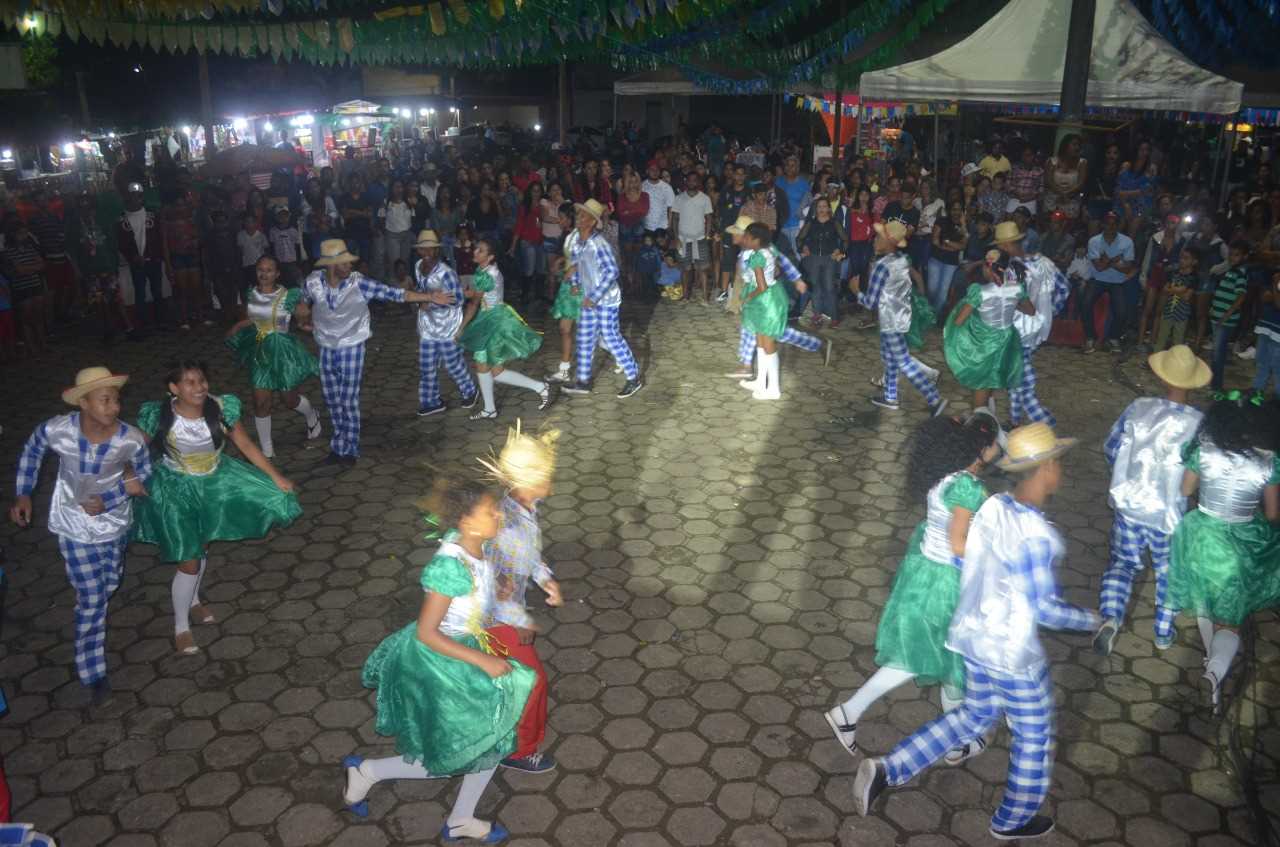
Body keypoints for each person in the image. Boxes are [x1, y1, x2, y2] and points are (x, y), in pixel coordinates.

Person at [856, 423, 1098, 842]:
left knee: (975, 715)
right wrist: (1092, 621)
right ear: (1044, 471)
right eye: (1058, 463)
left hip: (972, 637)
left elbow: (963, 557)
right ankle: (1013, 818)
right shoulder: (1039, 537)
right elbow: (1043, 608)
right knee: (1034, 736)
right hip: (1012, 653)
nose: (1061, 471)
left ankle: (888, 768)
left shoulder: (994, 506)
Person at [342, 479, 536, 843]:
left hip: (465, 651)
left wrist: (501, 597)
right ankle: (368, 772)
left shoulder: (477, 544)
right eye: (490, 512)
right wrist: (483, 661)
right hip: (443, 661)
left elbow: (476, 591)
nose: (498, 515)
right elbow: (428, 633)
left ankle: (460, 818)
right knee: (459, 748)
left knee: (488, 739)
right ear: (466, 522)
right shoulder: (448, 566)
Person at [825, 414, 999, 758]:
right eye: (995, 443)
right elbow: (959, 544)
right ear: (981, 450)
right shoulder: (968, 487)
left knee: (945, 659)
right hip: (947, 584)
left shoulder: (943, 478)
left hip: (924, 575)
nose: (998, 448)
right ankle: (849, 714)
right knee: (929, 657)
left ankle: (956, 737)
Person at [132, 361, 301, 655]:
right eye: (189, 383)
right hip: (174, 489)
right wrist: (127, 476)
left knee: (202, 545)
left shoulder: (221, 408)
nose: (199, 388)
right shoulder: (159, 415)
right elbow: (133, 448)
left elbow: (246, 446)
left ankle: (195, 600)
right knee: (189, 558)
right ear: (174, 389)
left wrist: (276, 477)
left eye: (201, 381)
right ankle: (181, 627)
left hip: (214, 485)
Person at [11, 367, 152, 703]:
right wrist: (23, 493)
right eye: (105, 400)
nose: (114, 407)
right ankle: (92, 671)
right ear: (83, 404)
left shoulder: (129, 439)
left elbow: (144, 475)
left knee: (109, 583)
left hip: (113, 524)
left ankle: (96, 602)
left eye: (116, 400)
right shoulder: (57, 430)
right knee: (91, 599)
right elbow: (32, 452)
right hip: (71, 524)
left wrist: (112, 499)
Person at [1167, 393, 1280, 710]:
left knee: (1205, 605)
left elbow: (1186, 490)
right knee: (1229, 621)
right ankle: (1213, 673)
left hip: (1200, 535)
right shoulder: (1269, 461)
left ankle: (1212, 673)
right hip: (1240, 544)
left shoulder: (1205, 449)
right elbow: (1272, 515)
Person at [1095, 345, 1210, 655]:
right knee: (1168, 571)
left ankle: (1110, 616)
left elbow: (1111, 447)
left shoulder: (1138, 407)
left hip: (1129, 504)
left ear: (1163, 378)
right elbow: (1199, 473)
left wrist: (1124, 476)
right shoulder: (1200, 424)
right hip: (1168, 515)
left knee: (1122, 564)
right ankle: (1162, 631)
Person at [297, 239, 435, 465]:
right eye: (344, 263)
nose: (350, 266)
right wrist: (301, 313)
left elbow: (395, 294)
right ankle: (338, 447)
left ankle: (348, 450)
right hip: (326, 347)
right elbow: (301, 301)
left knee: (348, 399)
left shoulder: (359, 284)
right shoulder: (313, 282)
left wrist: (428, 297)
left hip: (352, 346)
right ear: (331, 265)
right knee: (332, 399)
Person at [477, 423, 565, 774]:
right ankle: (518, 750)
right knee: (532, 681)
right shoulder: (509, 525)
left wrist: (546, 579)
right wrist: (522, 621)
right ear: (527, 482)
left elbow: (528, 558)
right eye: (546, 477)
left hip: (503, 613)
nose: (552, 484)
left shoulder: (522, 505)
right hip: (497, 619)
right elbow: (498, 586)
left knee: (512, 679)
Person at [224, 256, 323, 457]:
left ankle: (312, 415)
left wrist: (307, 324)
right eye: (260, 269)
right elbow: (251, 320)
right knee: (261, 403)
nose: (264, 274)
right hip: (260, 353)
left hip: (283, 353)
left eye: (269, 270)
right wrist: (238, 326)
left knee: (289, 399)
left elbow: (303, 319)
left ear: (277, 273)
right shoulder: (250, 293)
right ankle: (267, 452)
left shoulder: (289, 295)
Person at [854, 220, 948, 416]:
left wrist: (855, 291)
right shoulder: (902, 260)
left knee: (903, 361)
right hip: (902, 316)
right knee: (889, 358)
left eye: (878, 237)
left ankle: (934, 398)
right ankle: (890, 397)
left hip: (890, 320)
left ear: (889, 242)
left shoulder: (882, 267)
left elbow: (870, 302)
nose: (874, 240)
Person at [458, 239, 553, 421]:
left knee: (490, 368)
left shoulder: (485, 275)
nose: (476, 251)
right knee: (488, 367)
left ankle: (536, 388)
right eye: (476, 248)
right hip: (493, 318)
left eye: (481, 250)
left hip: (492, 321)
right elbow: (476, 294)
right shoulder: (487, 270)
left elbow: (474, 303)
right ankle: (492, 407)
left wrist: (461, 328)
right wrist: (462, 292)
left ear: (490, 256)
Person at [560, 199, 644, 399]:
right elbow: (576, 268)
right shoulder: (578, 243)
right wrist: (575, 287)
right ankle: (583, 381)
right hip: (589, 298)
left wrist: (595, 296)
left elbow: (612, 271)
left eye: (583, 216)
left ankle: (634, 378)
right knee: (585, 339)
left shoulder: (598, 244)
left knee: (611, 336)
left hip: (606, 299)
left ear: (591, 222)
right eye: (578, 214)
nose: (578, 218)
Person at [996, 222, 1070, 427]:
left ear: (1008, 245)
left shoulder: (1013, 268)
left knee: (1023, 386)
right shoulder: (1045, 262)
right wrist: (1048, 313)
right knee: (1015, 377)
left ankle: (1047, 426)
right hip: (1037, 329)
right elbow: (1064, 289)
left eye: (1001, 245)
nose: (999, 249)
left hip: (1019, 331)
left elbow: (1012, 302)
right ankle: (1014, 422)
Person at [944, 250, 1033, 415]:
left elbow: (959, 320)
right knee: (993, 375)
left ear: (988, 269)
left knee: (981, 382)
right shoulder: (1017, 288)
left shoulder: (980, 290)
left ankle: (982, 424)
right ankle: (988, 412)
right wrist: (1013, 304)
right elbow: (1031, 310)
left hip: (985, 342)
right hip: (1007, 338)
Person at [411, 230, 479, 417]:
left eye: (430, 249)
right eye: (422, 250)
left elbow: (457, 299)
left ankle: (470, 391)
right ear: (418, 251)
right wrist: (420, 301)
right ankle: (431, 402)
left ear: (436, 250)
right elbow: (419, 290)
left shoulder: (446, 273)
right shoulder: (418, 266)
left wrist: (430, 303)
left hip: (448, 326)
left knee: (453, 363)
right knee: (426, 365)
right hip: (427, 326)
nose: (426, 253)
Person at [1082, 211, 1137, 354]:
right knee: (1085, 303)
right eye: (1108, 223)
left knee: (1122, 312)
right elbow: (1098, 268)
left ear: (1118, 225)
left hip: (1117, 281)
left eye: (1114, 224)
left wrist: (1107, 260)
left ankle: (1113, 338)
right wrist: (1116, 260)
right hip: (1097, 279)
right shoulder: (1094, 241)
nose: (1110, 227)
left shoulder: (1127, 241)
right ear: (1102, 224)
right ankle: (1090, 337)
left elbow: (1128, 269)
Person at [797, 197, 847, 327]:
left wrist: (840, 251)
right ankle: (817, 314)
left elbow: (846, 240)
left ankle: (834, 317)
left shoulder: (835, 223)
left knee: (830, 288)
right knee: (815, 288)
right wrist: (803, 248)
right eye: (819, 206)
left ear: (829, 209)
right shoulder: (811, 223)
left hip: (829, 258)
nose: (822, 209)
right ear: (815, 209)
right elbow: (799, 238)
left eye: (824, 206)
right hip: (813, 258)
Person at [1, 219, 48, 354]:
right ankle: (31, 347)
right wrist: (33, 267)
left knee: (38, 317)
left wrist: (28, 268)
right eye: (21, 232)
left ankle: (42, 344)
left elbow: (42, 265)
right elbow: (20, 270)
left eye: (25, 232)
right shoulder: (8, 252)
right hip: (22, 288)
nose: (25, 235)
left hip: (34, 284)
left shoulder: (30, 247)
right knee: (26, 319)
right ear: (13, 234)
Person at [1207, 242, 1250, 389]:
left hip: (1225, 321)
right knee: (1217, 351)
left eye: (1236, 255)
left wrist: (1226, 315)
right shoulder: (1230, 271)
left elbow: (1241, 297)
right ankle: (1214, 382)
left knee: (1218, 354)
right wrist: (1213, 307)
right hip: (1217, 317)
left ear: (1244, 256)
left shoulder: (1240, 274)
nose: (1232, 257)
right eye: (1231, 254)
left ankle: (1216, 386)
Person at [670, 173, 714, 302]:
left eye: (695, 180)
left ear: (698, 182)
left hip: (699, 238)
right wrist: (676, 237)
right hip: (683, 239)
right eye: (689, 180)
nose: (692, 183)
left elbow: (709, 218)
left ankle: (705, 298)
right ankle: (685, 296)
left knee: (703, 269)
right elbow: (675, 219)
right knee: (685, 269)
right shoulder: (679, 198)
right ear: (686, 182)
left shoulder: (705, 198)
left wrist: (706, 235)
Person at [1154, 250, 1199, 352]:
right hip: (1168, 311)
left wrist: (1173, 290)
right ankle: (1156, 361)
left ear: (1194, 262)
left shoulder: (1194, 277)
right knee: (1161, 338)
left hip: (1182, 314)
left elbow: (1187, 297)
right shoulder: (1173, 273)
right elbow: (1165, 289)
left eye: (1186, 258)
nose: (1182, 260)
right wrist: (1178, 290)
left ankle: (1175, 364)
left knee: (1178, 341)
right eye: (1181, 257)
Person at [1253, 269, 1280, 395]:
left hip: (1278, 333)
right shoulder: (1275, 275)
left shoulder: (1276, 280)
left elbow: (1278, 303)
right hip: (1266, 326)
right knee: (1261, 362)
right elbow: (1265, 297)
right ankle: (1257, 393)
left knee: (1277, 367)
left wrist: (1275, 285)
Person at [267, 206, 306, 288]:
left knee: (295, 283)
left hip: (292, 262)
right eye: (280, 215)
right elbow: (271, 247)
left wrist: (298, 262)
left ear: (289, 216)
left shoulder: (293, 231)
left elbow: (297, 247)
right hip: (279, 262)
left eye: (285, 215)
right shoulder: (273, 231)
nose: (283, 217)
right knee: (281, 284)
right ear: (276, 217)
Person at [641, 161, 676, 242]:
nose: (655, 172)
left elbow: (671, 208)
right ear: (647, 171)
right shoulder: (642, 186)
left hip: (663, 227)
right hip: (647, 227)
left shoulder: (667, 187)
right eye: (652, 170)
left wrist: (669, 226)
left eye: (657, 170)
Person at [236, 211, 269, 296]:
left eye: (251, 221)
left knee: (260, 287)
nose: (249, 224)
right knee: (246, 289)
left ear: (256, 223)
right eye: (247, 221)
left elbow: (266, 251)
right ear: (244, 223)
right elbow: (240, 251)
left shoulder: (261, 236)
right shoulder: (240, 235)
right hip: (246, 265)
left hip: (259, 266)